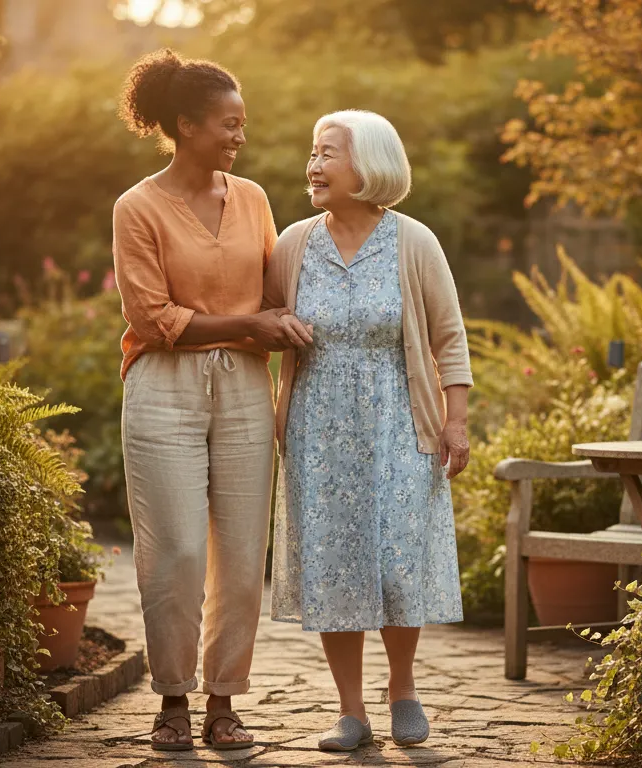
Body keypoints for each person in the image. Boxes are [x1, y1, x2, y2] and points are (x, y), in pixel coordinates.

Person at [112, 49, 313, 752]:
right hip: (163, 386)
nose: (239, 136)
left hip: (243, 388)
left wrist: (280, 322)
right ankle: (172, 699)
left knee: (239, 548)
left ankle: (223, 700)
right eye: (228, 124)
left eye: (243, 124)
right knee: (173, 551)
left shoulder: (253, 198)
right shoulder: (136, 207)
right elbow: (150, 317)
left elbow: (275, 291)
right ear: (185, 125)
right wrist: (250, 324)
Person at [263, 109, 472, 751]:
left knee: (399, 561)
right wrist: (277, 326)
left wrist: (455, 419)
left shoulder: (414, 241)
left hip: (399, 423)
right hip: (316, 430)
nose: (314, 165)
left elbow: (449, 336)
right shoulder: (294, 242)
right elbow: (266, 318)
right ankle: (350, 711)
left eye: (328, 153)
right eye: (314, 152)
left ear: (369, 166)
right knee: (334, 563)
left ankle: (403, 689)